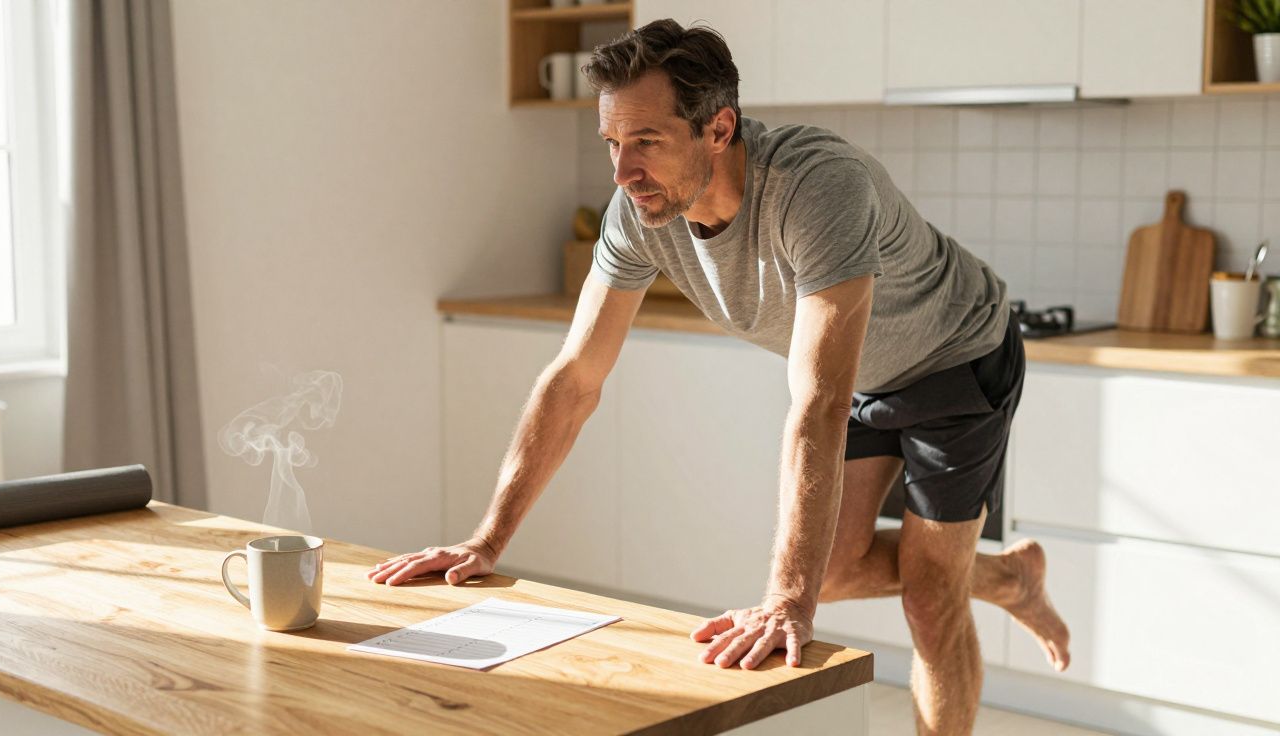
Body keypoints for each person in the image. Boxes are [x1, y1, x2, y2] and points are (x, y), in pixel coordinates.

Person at [367, 19, 1070, 734]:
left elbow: (818, 403)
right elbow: (576, 376)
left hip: (957, 357)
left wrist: (785, 603)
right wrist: (487, 540)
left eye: (645, 141)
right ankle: (1008, 578)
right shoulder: (639, 213)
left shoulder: (816, 187)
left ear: (718, 128)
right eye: (612, 143)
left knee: (928, 599)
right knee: (843, 569)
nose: (621, 172)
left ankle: (967, 583)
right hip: (871, 376)